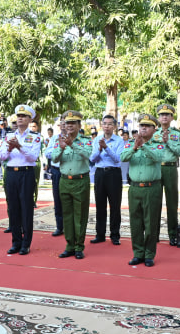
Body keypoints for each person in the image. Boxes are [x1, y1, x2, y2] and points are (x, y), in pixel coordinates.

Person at [122, 114, 167, 266]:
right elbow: (122, 157)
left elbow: (157, 157)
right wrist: (135, 147)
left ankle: (149, 254)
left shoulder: (158, 144)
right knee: (135, 222)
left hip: (151, 188)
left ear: (155, 129)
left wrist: (143, 146)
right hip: (134, 188)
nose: (143, 128)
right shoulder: (130, 143)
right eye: (141, 126)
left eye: (147, 126)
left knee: (150, 222)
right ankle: (138, 253)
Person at [0, 105, 42, 255]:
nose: (20, 118)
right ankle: (16, 241)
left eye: (24, 116)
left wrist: (20, 146)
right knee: (13, 208)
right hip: (11, 173)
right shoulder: (8, 136)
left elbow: (33, 157)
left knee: (26, 208)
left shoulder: (35, 137)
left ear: (30, 119)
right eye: (18, 116)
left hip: (26, 173)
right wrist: (10, 149)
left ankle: (26, 243)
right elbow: (2, 156)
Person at [51, 111, 92, 259]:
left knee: (80, 215)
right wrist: (62, 147)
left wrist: (72, 145)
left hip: (80, 180)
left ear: (79, 125)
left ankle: (79, 246)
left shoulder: (85, 140)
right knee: (67, 214)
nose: (69, 126)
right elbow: (54, 159)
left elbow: (88, 155)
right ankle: (69, 245)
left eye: (73, 123)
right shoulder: (59, 140)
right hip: (64, 180)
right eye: (67, 123)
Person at [90, 114, 125, 245]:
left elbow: (117, 159)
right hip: (99, 173)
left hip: (113, 174)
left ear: (114, 126)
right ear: (101, 125)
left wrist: (106, 148)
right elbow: (92, 159)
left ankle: (115, 235)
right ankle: (100, 234)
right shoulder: (96, 139)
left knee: (115, 205)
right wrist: (99, 148)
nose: (107, 126)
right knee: (100, 205)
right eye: (105, 123)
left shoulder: (119, 141)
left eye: (110, 124)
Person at [156, 104, 180, 247]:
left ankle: (173, 235)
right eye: (162, 114)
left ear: (172, 117)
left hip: (170, 168)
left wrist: (168, 142)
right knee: (154, 203)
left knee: (172, 203)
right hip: (156, 169)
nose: (164, 117)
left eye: (167, 115)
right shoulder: (153, 133)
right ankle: (153, 233)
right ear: (158, 117)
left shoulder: (177, 134)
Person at [43, 121, 66, 236]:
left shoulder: (75, 138)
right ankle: (59, 226)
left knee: (69, 200)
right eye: (61, 124)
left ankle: (70, 226)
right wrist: (59, 151)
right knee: (57, 199)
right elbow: (47, 153)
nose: (63, 126)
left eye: (66, 124)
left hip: (69, 171)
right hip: (57, 171)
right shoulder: (54, 138)